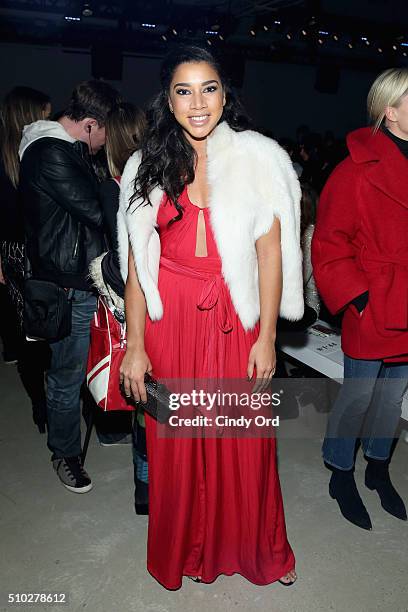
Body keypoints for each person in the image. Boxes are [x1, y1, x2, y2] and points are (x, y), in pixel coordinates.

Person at [118, 46, 303, 589]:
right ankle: (187, 554)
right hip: (167, 319)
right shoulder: (143, 165)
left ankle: (262, 552)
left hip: (234, 315)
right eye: (184, 90)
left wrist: (267, 336)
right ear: (168, 100)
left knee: (244, 443)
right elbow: (137, 266)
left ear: (226, 94)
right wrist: (135, 344)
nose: (198, 103)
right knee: (174, 444)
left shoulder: (259, 157)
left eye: (209, 88)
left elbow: (271, 254)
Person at [312, 67, 408, 530]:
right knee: (358, 396)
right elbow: (329, 243)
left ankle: (377, 467)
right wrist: (361, 298)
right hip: (375, 302)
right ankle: (340, 471)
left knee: (392, 400)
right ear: (390, 111)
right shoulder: (355, 168)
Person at [19, 80, 121, 493]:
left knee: (93, 362)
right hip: (66, 284)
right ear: (91, 124)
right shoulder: (50, 154)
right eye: (105, 136)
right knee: (66, 376)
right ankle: (64, 453)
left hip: (79, 278)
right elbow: (97, 211)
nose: (103, 145)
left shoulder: (62, 149)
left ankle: (105, 429)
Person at [89, 102, 149, 507]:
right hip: (149, 304)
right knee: (153, 398)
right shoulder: (149, 182)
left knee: (148, 398)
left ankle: (146, 485)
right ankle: (149, 484)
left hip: (134, 305)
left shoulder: (115, 187)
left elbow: (117, 263)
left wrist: (99, 267)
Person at [0, 86, 52, 432]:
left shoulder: (33, 152)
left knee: (32, 330)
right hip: (25, 252)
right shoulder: (32, 154)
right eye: (45, 113)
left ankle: (42, 404)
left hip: (24, 250)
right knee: (34, 331)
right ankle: (41, 403)